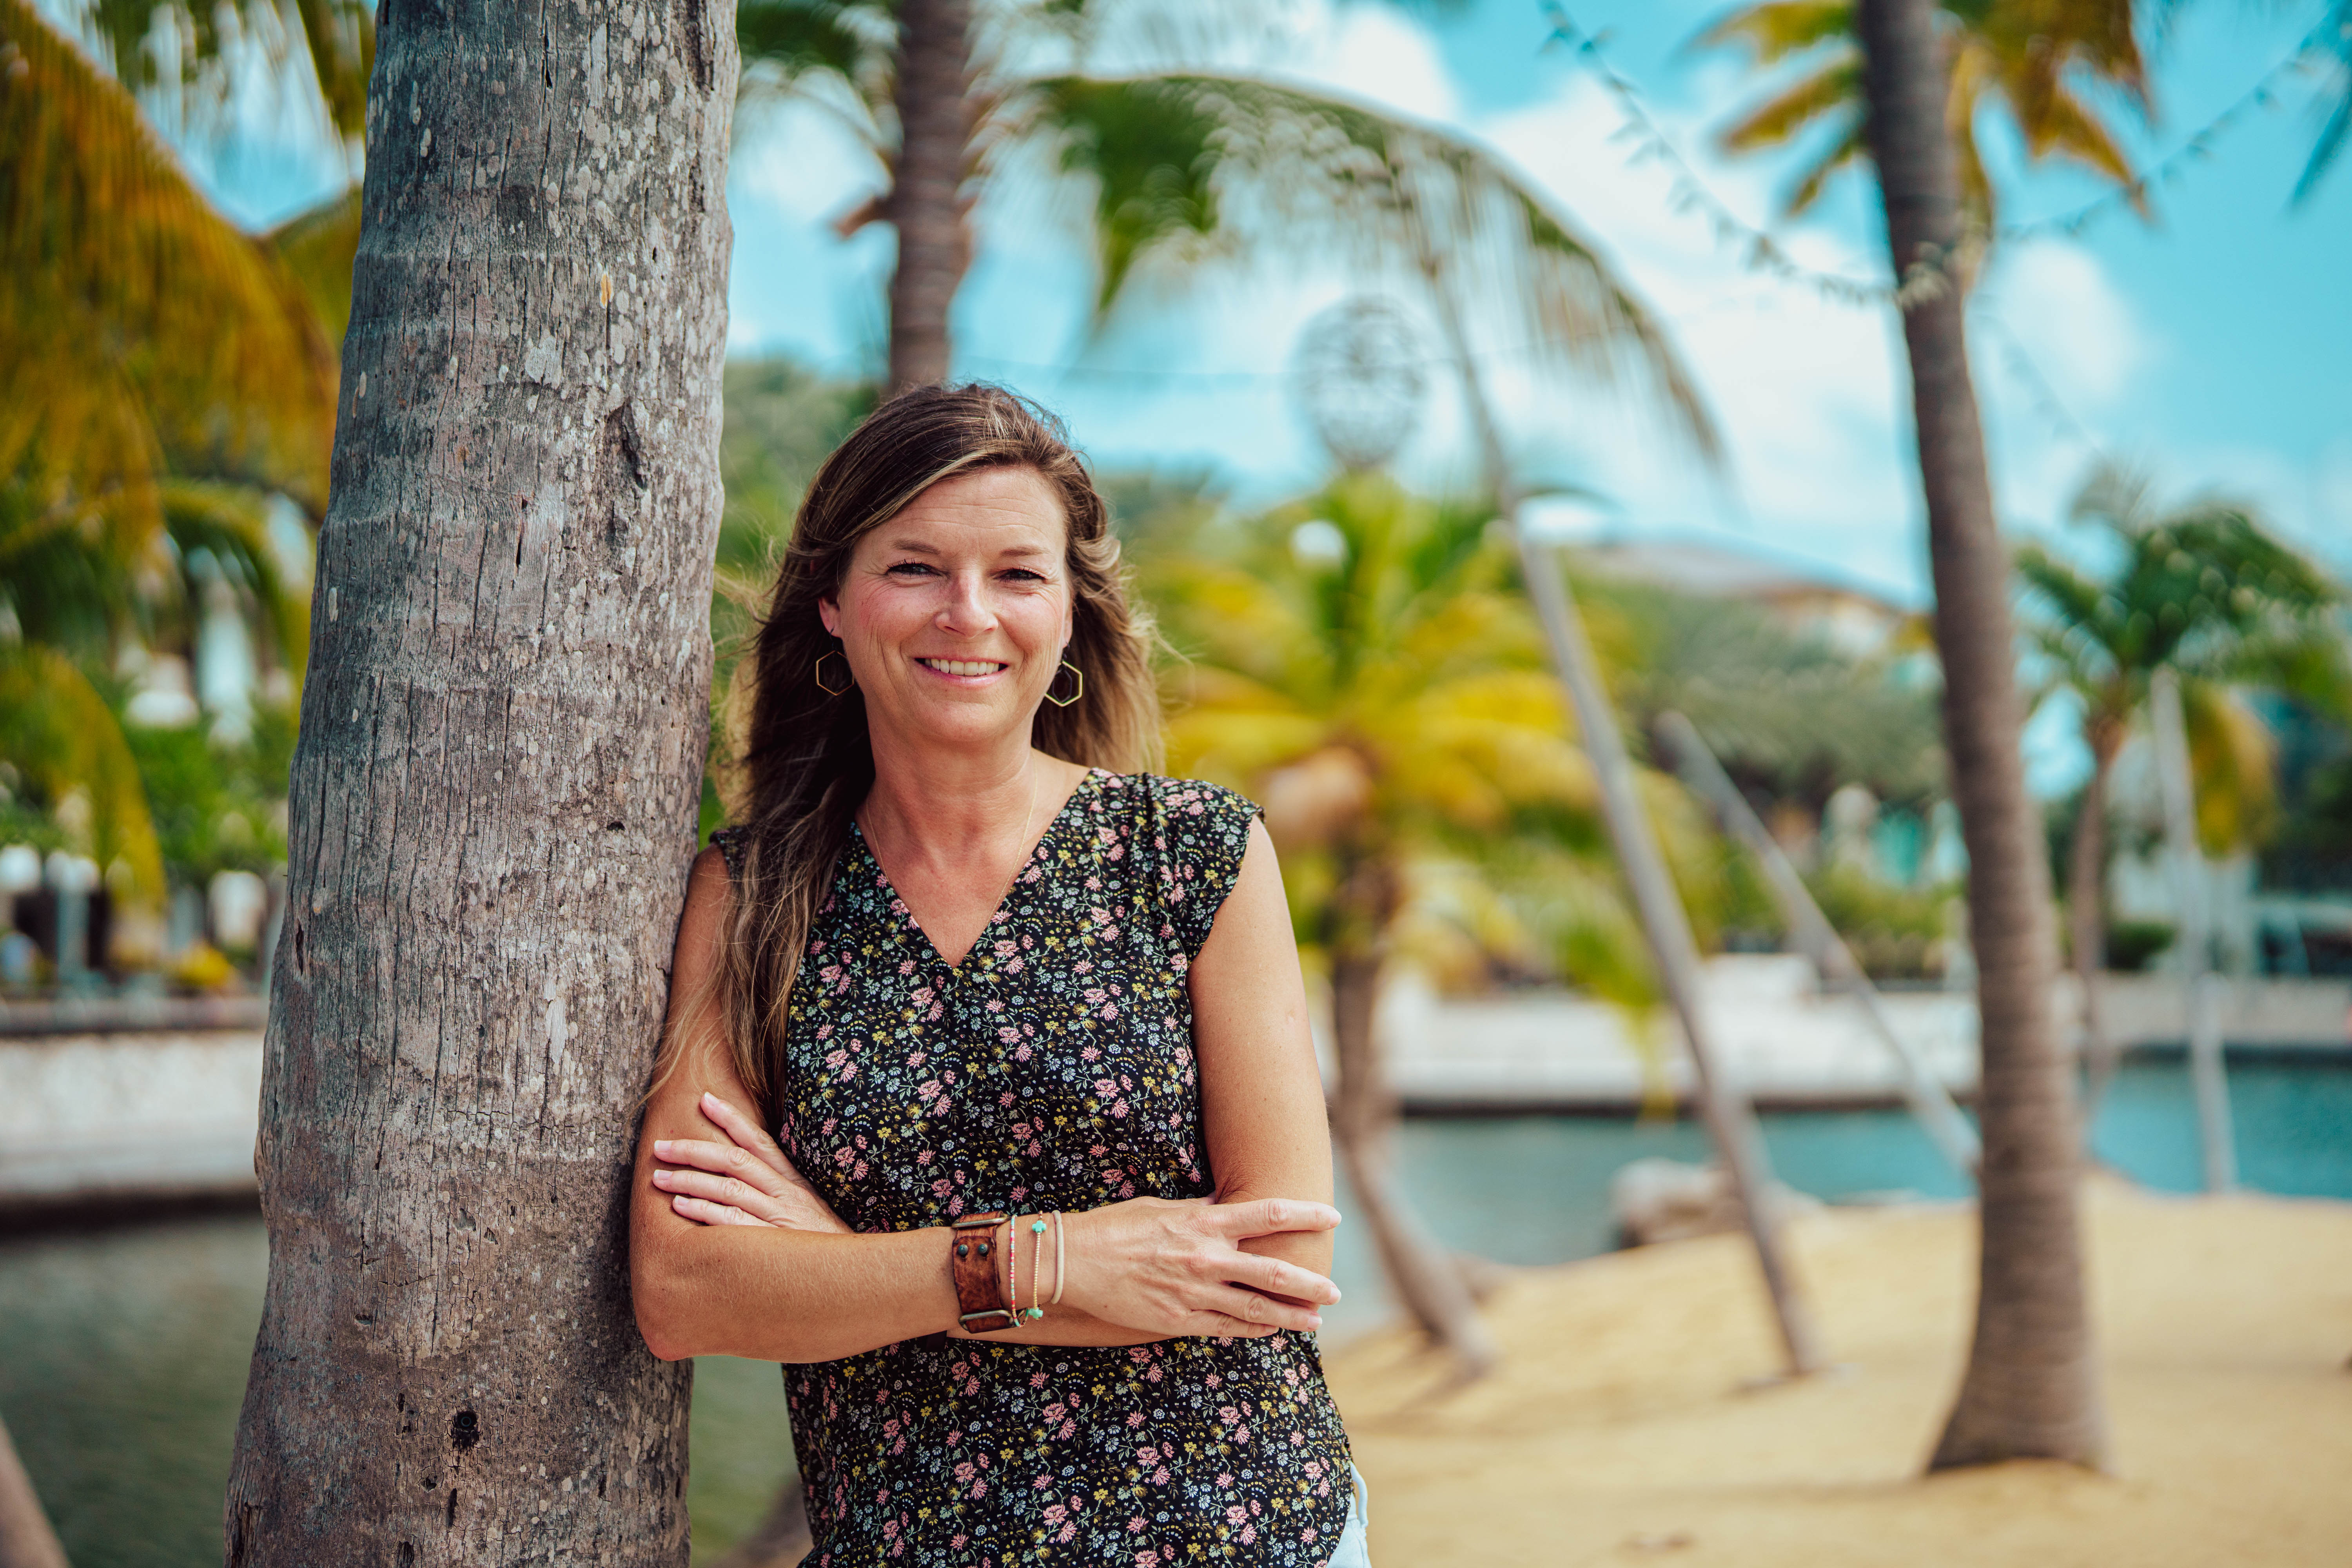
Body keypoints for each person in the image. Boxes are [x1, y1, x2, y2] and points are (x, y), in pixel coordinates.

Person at [629, 384, 1365, 1566]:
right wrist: (1058, 1262)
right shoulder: (753, 894)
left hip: (1245, 1538)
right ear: (831, 601)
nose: (968, 613)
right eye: (915, 567)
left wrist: (841, 1263)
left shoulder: (1194, 855)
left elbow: (1277, 1277)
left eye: (1018, 575)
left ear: (1070, 614)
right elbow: (687, 1291)